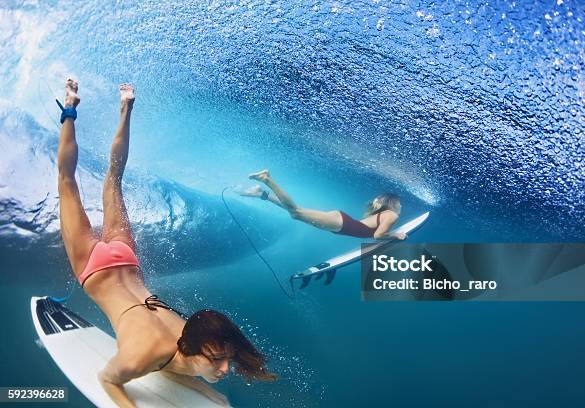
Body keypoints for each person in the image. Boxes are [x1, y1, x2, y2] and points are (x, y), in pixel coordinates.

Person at [56, 79, 275, 408]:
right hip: (99, 267)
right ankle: (85, 106)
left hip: (124, 260)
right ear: (191, 348)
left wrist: (212, 395)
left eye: (224, 358)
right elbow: (108, 379)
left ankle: (107, 108)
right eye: (217, 360)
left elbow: (175, 363)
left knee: (95, 178)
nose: (225, 368)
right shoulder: (139, 358)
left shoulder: (194, 332)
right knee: (83, 180)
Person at [241, 169, 405, 240]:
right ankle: (266, 179)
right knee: (296, 212)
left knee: (298, 212)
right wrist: (395, 235)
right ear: (393, 203)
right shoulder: (392, 215)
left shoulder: (383, 214)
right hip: (342, 224)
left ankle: (263, 194)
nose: (400, 208)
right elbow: (378, 236)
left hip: (342, 222)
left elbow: (373, 230)